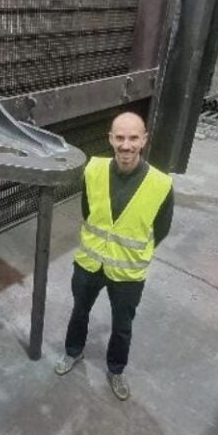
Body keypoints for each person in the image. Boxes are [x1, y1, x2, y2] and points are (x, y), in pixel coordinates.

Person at [54, 111, 174, 401]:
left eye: (133, 138)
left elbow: (161, 229)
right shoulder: (93, 170)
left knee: (122, 326)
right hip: (89, 262)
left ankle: (116, 369)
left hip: (128, 272)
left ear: (144, 140)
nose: (126, 145)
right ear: (110, 139)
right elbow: (88, 211)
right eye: (119, 137)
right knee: (79, 311)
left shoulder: (161, 184)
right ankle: (73, 352)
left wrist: (130, 251)